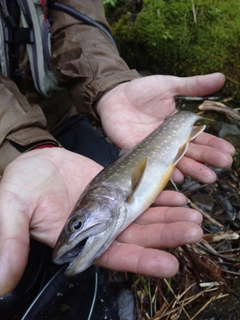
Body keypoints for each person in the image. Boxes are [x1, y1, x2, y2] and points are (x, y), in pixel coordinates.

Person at [0, 0, 235, 317]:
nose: (75, 229)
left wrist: (109, 84)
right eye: (77, 224)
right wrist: (20, 148)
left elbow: (75, 16)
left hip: (62, 110)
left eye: (77, 223)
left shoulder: (114, 193)